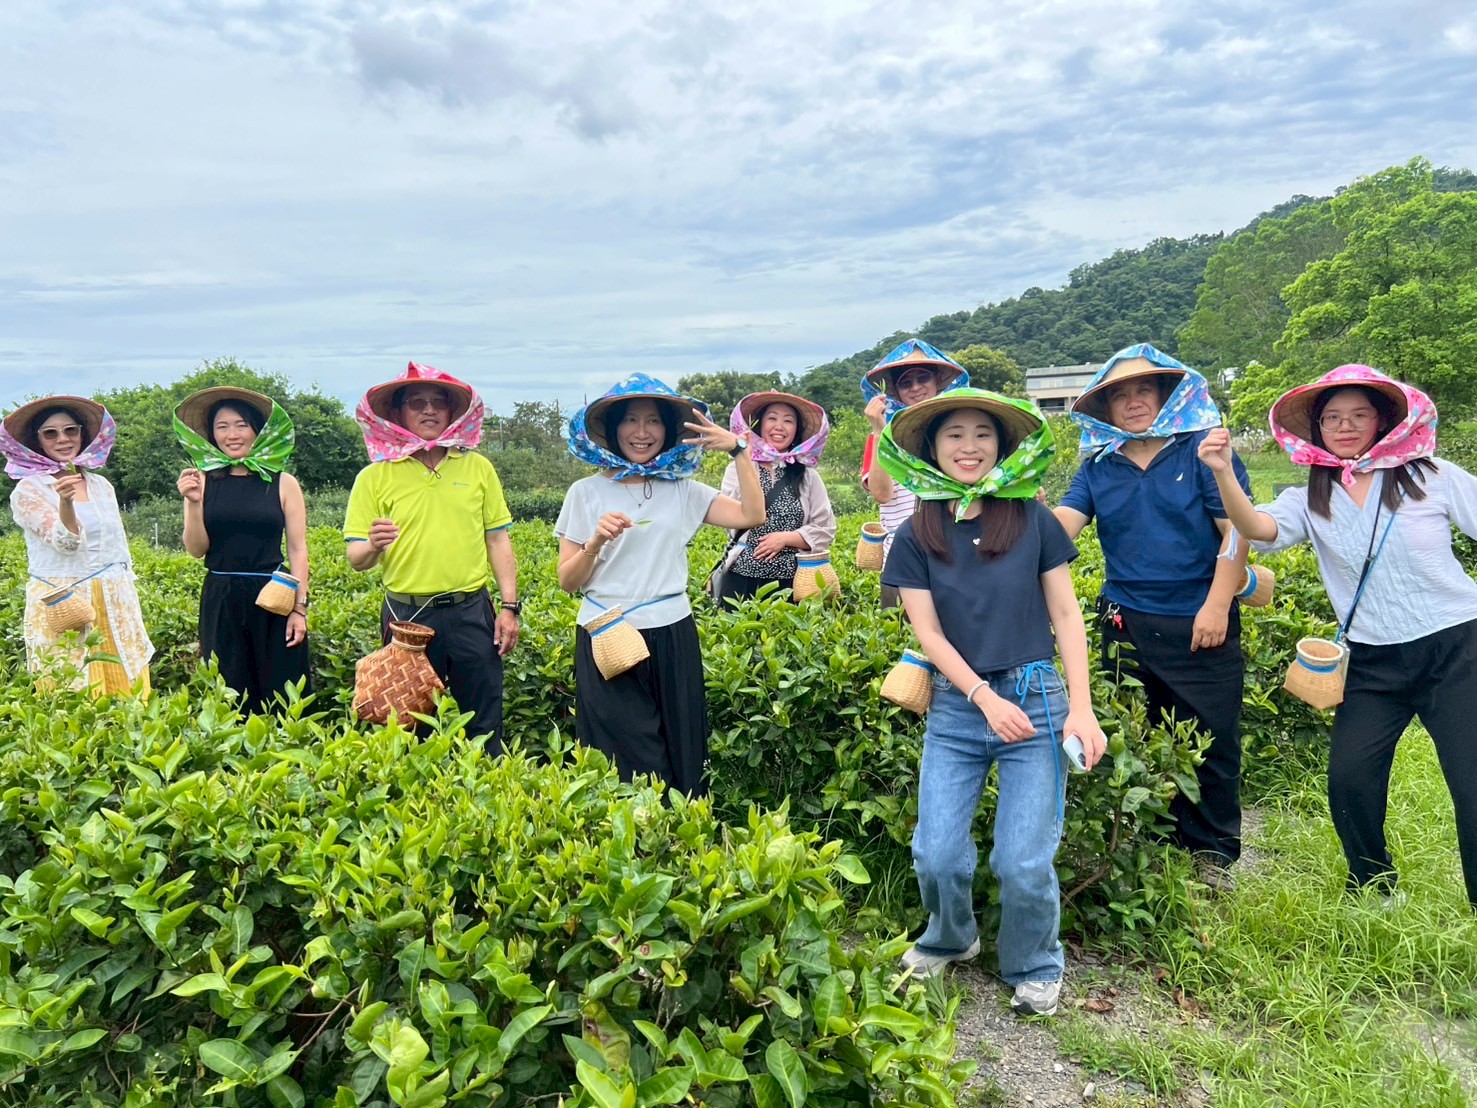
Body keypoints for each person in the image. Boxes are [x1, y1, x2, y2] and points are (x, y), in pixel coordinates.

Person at [1199, 364, 1477, 907]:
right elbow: (1256, 530)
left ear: (1382, 421)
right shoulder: (1310, 496)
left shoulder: (1432, 475)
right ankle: (1374, 886)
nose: (1344, 426)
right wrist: (1222, 472)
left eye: (1358, 415)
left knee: (1472, 785)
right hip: (1372, 659)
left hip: (1457, 647)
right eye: (1332, 418)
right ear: (1317, 429)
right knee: (1350, 779)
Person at [878, 388, 1106, 1016]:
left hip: (1036, 699)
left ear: (1003, 446)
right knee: (937, 852)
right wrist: (980, 695)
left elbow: (1066, 612)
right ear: (932, 448)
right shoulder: (916, 532)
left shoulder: (1032, 520)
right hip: (957, 706)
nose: (969, 446)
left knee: (1023, 858)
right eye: (954, 434)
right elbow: (927, 632)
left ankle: (1033, 962)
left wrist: (1081, 708)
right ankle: (952, 938)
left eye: (983, 433)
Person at [1052, 344, 1251, 891]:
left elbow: (1235, 531)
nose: (1133, 402)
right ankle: (1156, 843)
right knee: (1139, 732)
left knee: (1210, 736)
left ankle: (1213, 853)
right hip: (1125, 619)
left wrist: (1216, 604)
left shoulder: (1201, 451)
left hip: (1198, 617)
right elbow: (1063, 525)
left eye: (1144, 391)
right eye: (1120, 395)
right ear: (1107, 409)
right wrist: (1014, 517)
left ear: (1166, 397)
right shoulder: (1098, 465)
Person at [555, 373, 765, 796]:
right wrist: (595, 542)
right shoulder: (585, 493)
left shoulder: (684, 490)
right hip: (605, 631)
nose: (641, 432)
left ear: (668, 432)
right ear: (613, 431)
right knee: (622, 748)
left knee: (680, 738)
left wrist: (740, 451)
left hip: (671, 629)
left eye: (653, 421)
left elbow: (752, 515)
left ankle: (682, 838)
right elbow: (567, 582)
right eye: (630, 420)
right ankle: (629, 842)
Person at [344, 362, 520, 752]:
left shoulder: (477, 468)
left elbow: (498, 541)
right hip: (408, 618)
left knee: (484, 721)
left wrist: (509, 606)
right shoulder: (374, 477)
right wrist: (373, 544)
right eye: (417, 403)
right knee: (407, 724)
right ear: (398, 414)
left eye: (438, 403)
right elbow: (356, 557)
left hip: (472, 611)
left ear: (451, 414)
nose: (428, 410)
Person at [3, 396, 154, 695]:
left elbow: (118, 546)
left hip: (113, 599)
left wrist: (127, 590)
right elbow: (67, 543)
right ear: (38, 441)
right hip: (65, 600)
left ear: (82, 434)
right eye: (51, 433)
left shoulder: (101, 485)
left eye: (70, 430)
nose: (63, 439)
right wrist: (65, 502)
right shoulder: (30, 489)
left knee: (126, 683)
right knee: (71, 683)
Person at [175, 387, 309, 714]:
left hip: (275, 594)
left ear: (257, 431)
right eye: (222, 426)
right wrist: (193, 504)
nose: (232, 434)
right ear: (212, 434)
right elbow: (196, 549)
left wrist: (299, 610)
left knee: (283, 691)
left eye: (241, 425)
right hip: (221, 596)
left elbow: (298, 550)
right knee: (229, 691)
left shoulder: (283, 482)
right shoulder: (201, 481)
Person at [860, 339, 969, 609]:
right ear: (895, 390)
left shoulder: (960, 432)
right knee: (900, 639)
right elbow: (882, 494)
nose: (916, 387)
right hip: (901, 557)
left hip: (957, 555)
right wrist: (879, 431)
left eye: (923, 378)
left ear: (938, 383)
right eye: (906, 383)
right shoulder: (883, 434)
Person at [713, 391, 836, 602]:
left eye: (788, 421)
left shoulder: (807, 476)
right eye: (772, 418)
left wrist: (786, 538)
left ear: (796, 431)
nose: (779, 426)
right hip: (740, 578)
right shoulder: (738, 469)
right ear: (759, 425)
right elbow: (729, 518)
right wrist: (744, 458)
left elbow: (826, 528)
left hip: (793, 583)